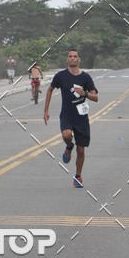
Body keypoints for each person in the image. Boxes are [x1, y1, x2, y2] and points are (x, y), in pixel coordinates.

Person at [43, 48, 98, 188]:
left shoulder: (85, 77)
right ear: (67, 59)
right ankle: (69, 146)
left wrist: (84, 93)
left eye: (75, 56)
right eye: (70, 56)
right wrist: (46, 110)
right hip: (67, 115)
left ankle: (78, 176)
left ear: (79, 59)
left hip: (81, 117)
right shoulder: (61, 76)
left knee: (81, 150)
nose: (73, 58)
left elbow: (95, 97)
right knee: (67, 135)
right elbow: (49, 90)